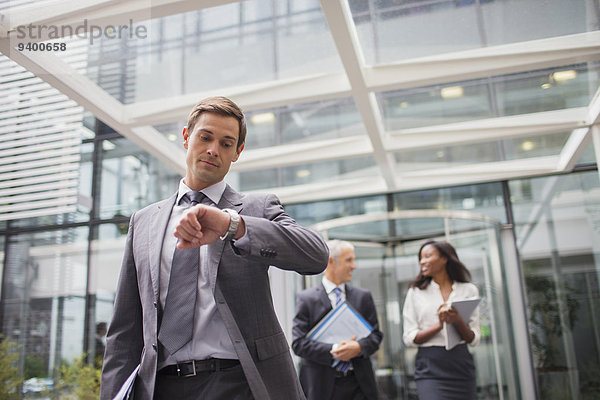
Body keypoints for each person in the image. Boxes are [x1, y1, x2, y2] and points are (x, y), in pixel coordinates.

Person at [100, 96, 329, 400]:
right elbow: (124, 333)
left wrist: (230, 225)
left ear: (238, 152)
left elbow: (316, 254)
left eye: (226, 143)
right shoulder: (143, 222)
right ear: (186, 137)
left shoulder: (256, 208)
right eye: (205, 137)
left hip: (240, 384)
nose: (213, 150)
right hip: (161, 387)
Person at [292, 240, 383, 400]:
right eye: (349, 260)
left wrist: (358, 347)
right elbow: (298, 344)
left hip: (360, 385)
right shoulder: (306, 299)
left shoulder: (363, 297)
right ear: (331, 262)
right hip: (322, 386)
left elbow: (376, 336)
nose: (354, 266)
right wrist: (335, 349)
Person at [402, 240, 480, 400]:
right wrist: (440, 324)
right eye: (421, 258)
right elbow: (410, 338)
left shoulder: (469, 290)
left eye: (428, 256)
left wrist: (457, 320)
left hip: (461, 363)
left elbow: (473, 338)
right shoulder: (415, 292)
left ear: (444, 258)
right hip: (430, 365)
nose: (422, 261)